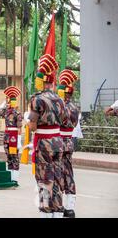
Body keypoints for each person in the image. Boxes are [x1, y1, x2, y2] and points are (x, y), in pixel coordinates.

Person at [28, 54, 66, 218]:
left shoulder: (37, 99)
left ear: (42, 81)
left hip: (44, 143)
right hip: (58, 142)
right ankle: (57, 213)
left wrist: (27, 121)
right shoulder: (60, 99)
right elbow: (63, 120)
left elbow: (33, 125)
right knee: (57, 178)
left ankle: (45, 213)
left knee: (44, 179)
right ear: (52, 83)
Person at [57, 69, 80, 218]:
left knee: (58, 174)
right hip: (69, 141)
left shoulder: (60, 106)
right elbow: (75, 123)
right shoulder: (75, 108)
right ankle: (70, 208)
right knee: (69, 173)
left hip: (58, 141)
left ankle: (59, 206)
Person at [0, 86, 23, 183]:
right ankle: (10, 176)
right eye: (8, 100)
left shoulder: (17, 113)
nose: (8, 102)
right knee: (8, 156)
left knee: (14, 156)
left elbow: (20, 128)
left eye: (9, 100)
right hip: (7, 135)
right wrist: (1, 106)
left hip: (14, 137)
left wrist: (19, 139)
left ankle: (15, 178)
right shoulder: (5, 111)